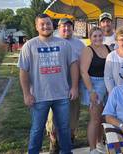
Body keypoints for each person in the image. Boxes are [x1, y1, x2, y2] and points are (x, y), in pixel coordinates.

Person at [17, 14, 76, 154]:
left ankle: (66, 152)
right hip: (38, 96)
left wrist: (74, 87)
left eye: (48, 23)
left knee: (64, 128)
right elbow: (23, 71)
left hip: (62, 95)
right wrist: (26, 94)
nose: (46, 26)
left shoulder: (64, 44)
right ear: (36, 26)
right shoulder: (30, 45)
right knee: (37, 130)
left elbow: (73, 65)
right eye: (42, 24)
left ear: (52, 25)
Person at [45, 18, 85, 153]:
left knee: (72, 117)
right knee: (53, 118)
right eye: (63, 27)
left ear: (72, 28)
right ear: (59, 28)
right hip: (54, 88)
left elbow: (84, 65)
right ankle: (54, 142)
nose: (66, 29)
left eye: (69, 27)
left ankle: (69, 140)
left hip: (74, 86)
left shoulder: (80, 44)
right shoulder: (51, 41)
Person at [80, 27, 111, 154]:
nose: (97, 38)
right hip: (95, 84)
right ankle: (92, 149)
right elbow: (83, 71)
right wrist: (91, 91)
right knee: (95, 118)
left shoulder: (108, 48)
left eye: (99, 35)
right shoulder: (88, 50)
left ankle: (100, 143)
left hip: (107, 83)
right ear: (90, 37)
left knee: (104, 118)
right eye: (94, 36)